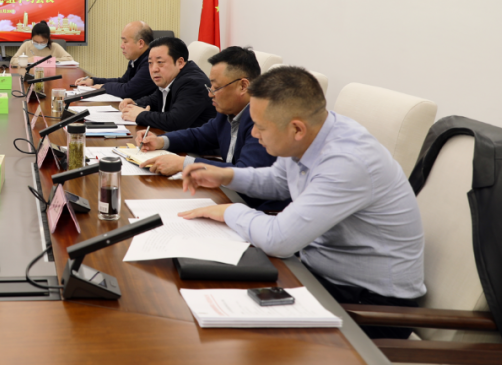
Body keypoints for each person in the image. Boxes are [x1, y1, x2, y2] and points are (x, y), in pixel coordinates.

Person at [178, 67, 426, 340]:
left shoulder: (347, 161)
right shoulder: (315, 132)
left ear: (296, 128)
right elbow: (279, 181)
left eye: (260, 127)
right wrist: (227, 176)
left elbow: (278, 240)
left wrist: (230, 211)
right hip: (315, 273)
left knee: (231, 335)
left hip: (371, 306)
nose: (255, 134)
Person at [139, 47, 284, 210]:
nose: (210, 94)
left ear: (243, 86)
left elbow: (245, 174)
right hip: (229, 196)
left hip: (259, 209)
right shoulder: (227, 112)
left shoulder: (263, 121)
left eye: (216, 88)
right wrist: (160, 141)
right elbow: (198, 136)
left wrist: (185, 164)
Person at [119, 36, 215, 131]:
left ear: (180, 63)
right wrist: (134, 104)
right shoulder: (171, 78)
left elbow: (174, 122)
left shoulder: (193, 84)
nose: (154, 69)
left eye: (160, 62)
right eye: (150, 63)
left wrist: (140, 115)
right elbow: (154, 100)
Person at [74, 21, 155, 100]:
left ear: (140, 43)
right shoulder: (136, 59)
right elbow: (123, 81)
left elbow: (128, 90)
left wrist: (103, 87)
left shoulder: (151, 62)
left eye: (125, 41)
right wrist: (94, 81)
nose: (121, 46)